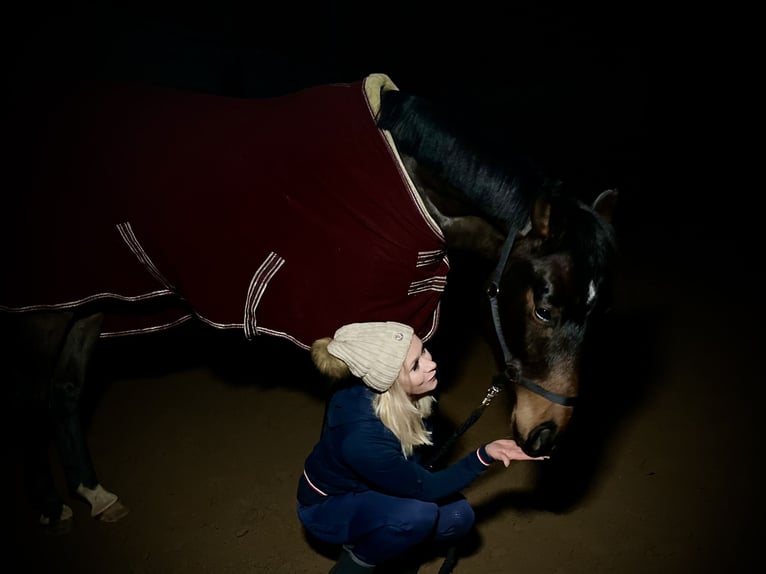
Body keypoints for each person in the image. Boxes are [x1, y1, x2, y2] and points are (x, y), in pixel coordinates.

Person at [296, 321, 547, 573]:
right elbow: (426, 489)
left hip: (373, 486)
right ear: (390, 383)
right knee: (418, 515)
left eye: (423, 350)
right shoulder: (362, 438)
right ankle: (357, 561)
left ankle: (394, 549)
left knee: (459, 516)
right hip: (327, 506)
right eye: (415, 365)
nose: (431, 364)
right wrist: (484, 455)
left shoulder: (405, 396)